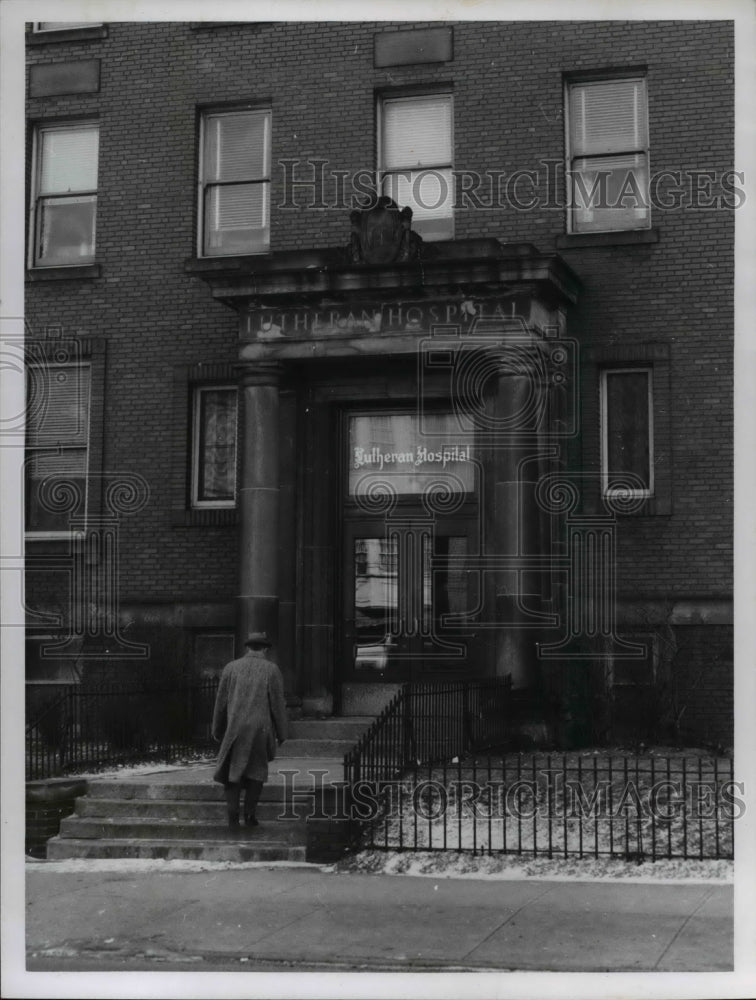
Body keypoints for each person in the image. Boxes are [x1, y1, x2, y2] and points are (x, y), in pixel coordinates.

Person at [211, 632, 288, 830]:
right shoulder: (271, 669)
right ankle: (250, 814)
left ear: (247, 647)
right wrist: (282, 733)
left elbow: (220, 702)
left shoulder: (231, 668)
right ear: (265, 649)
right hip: (260, 730)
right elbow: (278, 704)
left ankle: (233, 815)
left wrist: (216, 728)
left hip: (235, 728)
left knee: (233, 772)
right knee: (256, 772)